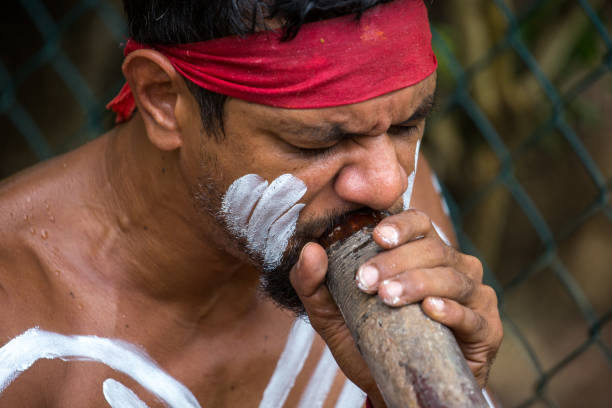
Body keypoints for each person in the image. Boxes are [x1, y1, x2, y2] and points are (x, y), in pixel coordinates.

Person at [0, 0, 503, 406]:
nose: (388, 186)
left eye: (407, 125)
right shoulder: (15, 317)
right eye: (318, 143)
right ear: (163, 100)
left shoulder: (394, 206)